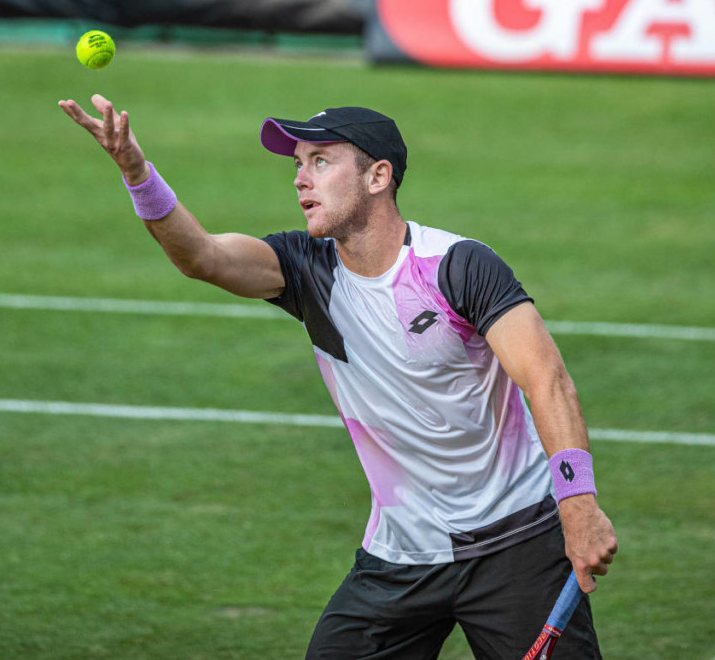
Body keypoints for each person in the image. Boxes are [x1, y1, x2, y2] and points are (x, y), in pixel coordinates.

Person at [59, 94, 618, 659]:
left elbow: (547, 378)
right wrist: (136, 172)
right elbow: (202, 257)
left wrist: (578, 504)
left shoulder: (457, 266)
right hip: (402, 555)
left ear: (378, 176)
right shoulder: (307, 269)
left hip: (516, 542)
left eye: (321, 161)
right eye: (298, 165)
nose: (301, 179)